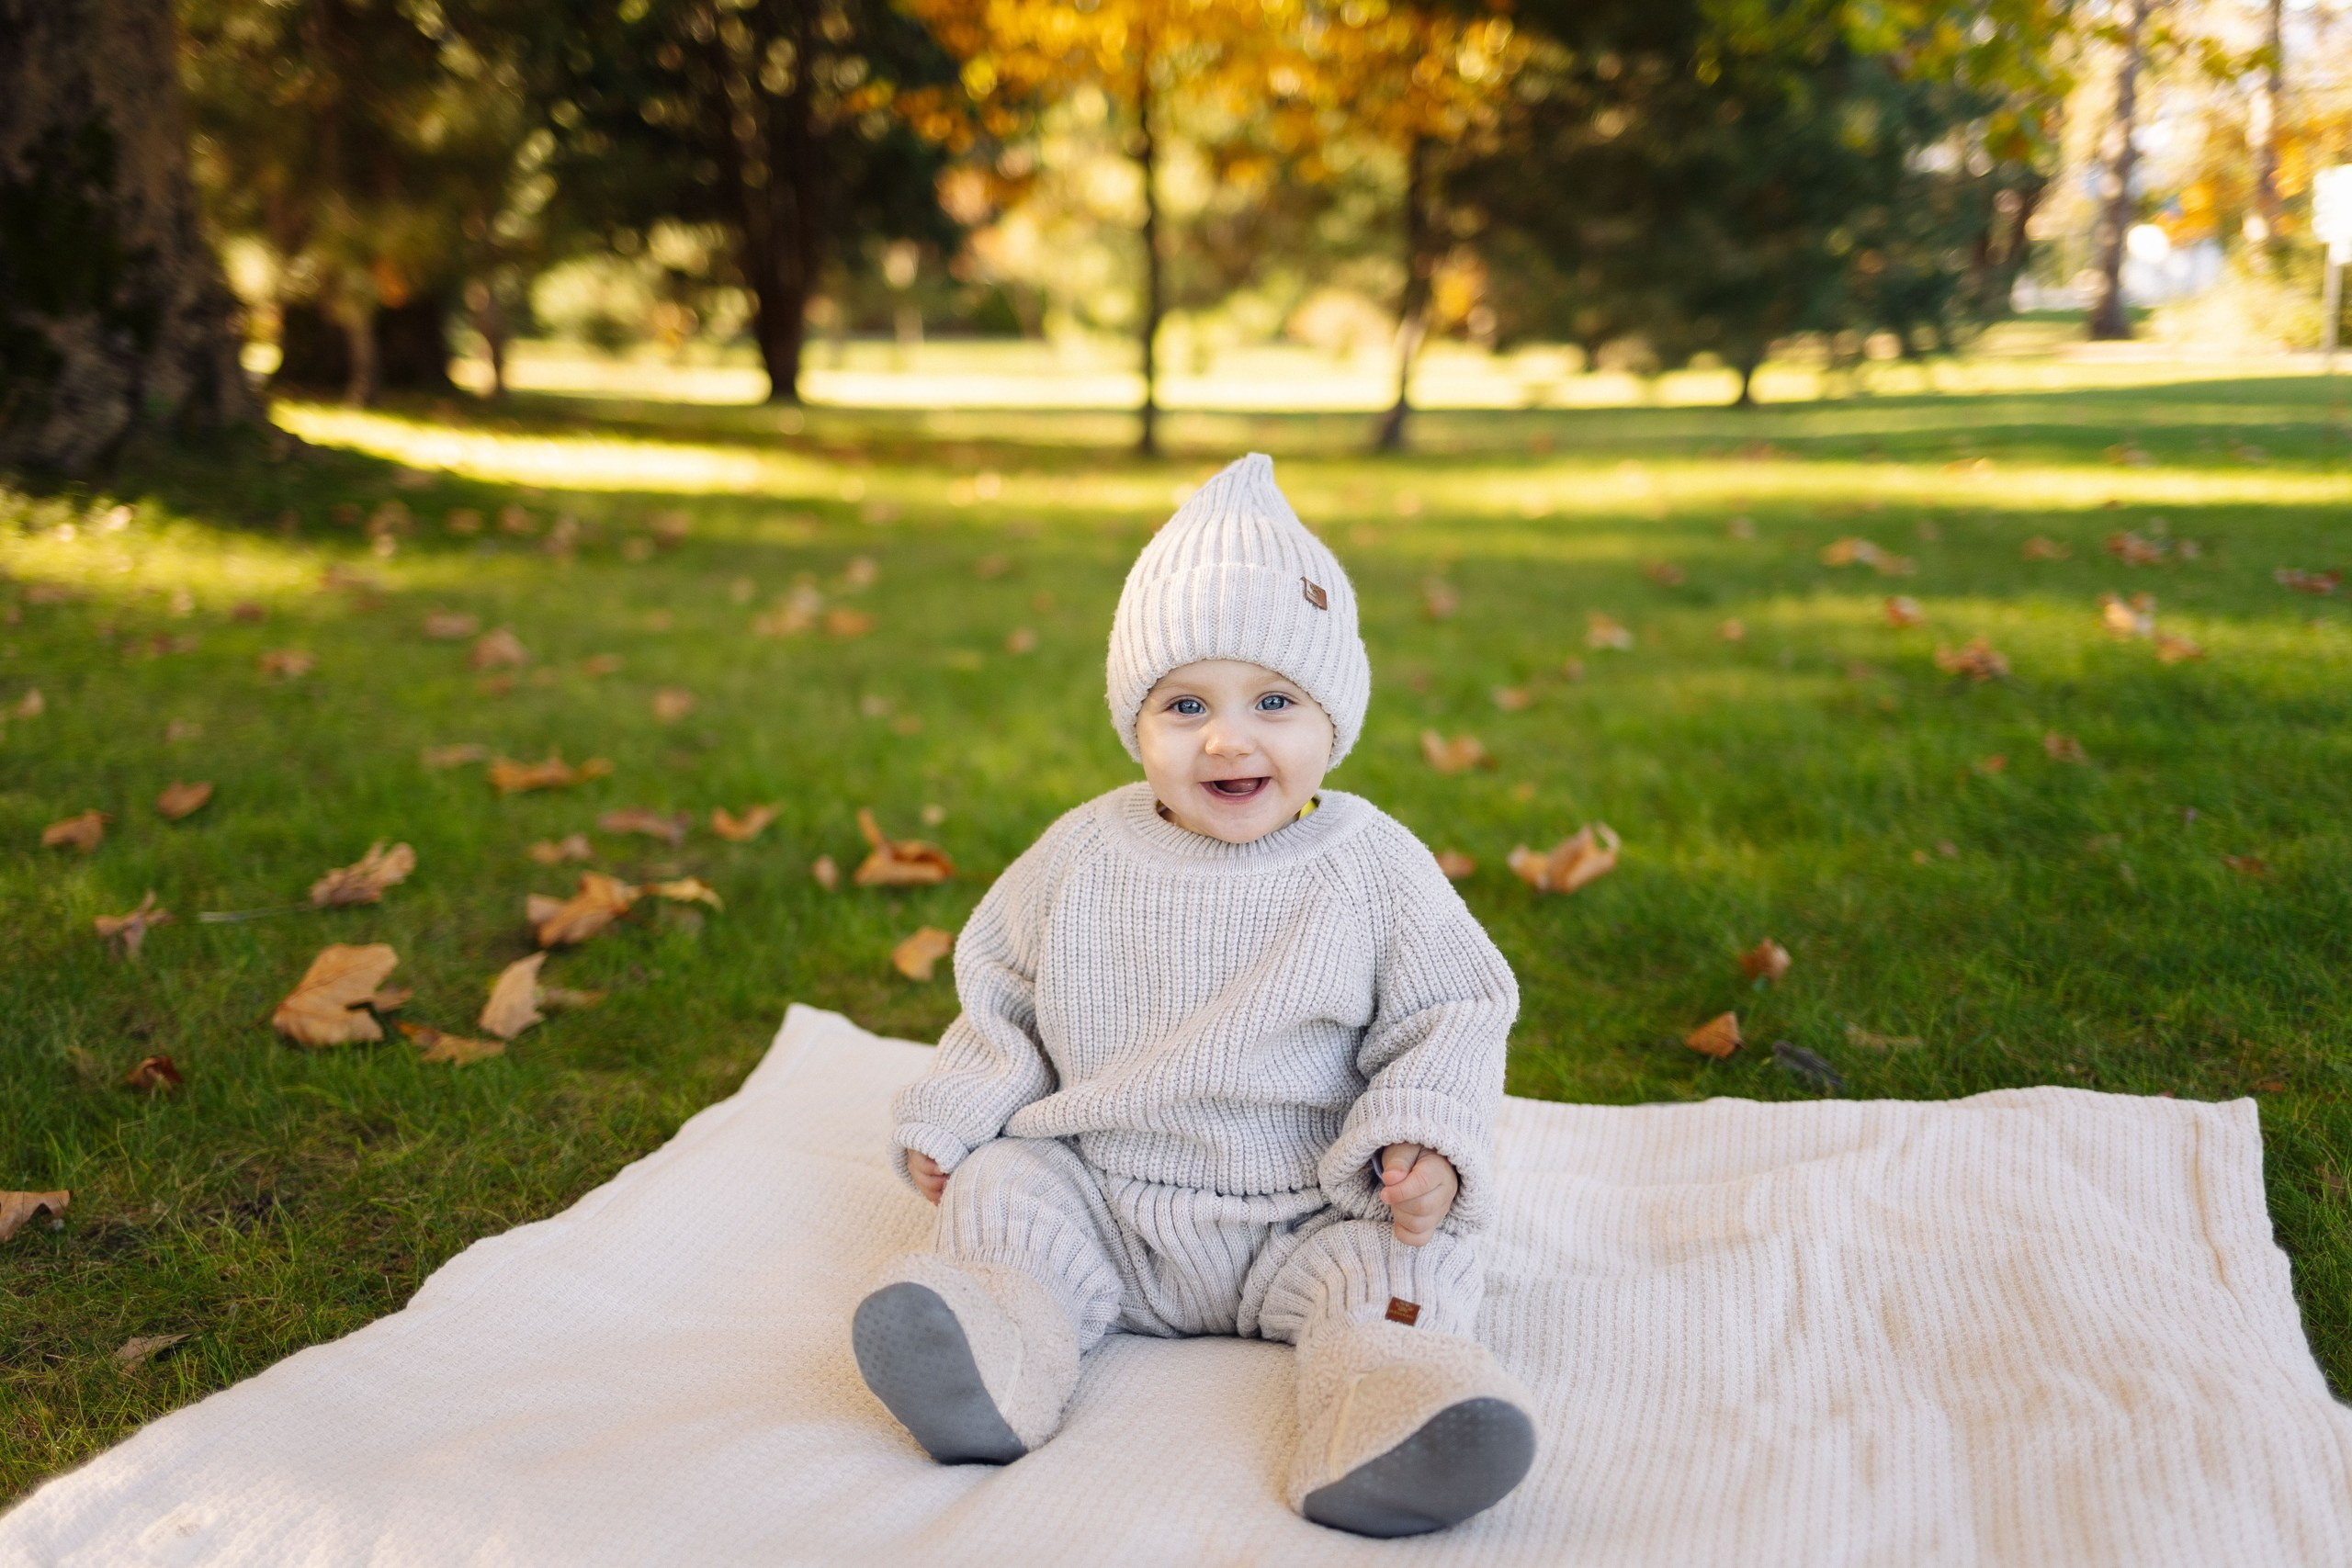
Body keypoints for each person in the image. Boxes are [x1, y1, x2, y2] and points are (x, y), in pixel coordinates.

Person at [850, 453, 1534, 1538]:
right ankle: (996, 1345)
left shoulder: (1369, 863)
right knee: (1004, 1189)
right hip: (1106, 1199)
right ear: (1136, 722)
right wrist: (954, 1116)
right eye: (1184, 704)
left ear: (1331, 720)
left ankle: (1388, 1404)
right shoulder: (1080, 854)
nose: (1227, 737)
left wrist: (1428, 1144)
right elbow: (1002, 998)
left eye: (1273, 699)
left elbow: (1453, 1012)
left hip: (1311, 1208)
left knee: (1412, 1260)